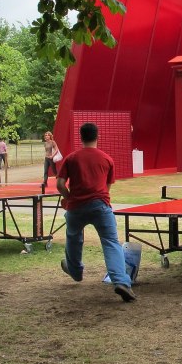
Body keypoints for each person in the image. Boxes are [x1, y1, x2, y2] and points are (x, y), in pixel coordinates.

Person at [56, 122, 135, 302]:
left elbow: (60, 184)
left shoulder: (71, 158)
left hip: (76, 207)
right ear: (97, 136)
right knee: (111, 242)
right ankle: (121, 282)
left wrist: (69, 198)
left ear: (81, 137)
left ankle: (75, 271)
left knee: (73, 238)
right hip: (101, 206)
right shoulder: (107, 159)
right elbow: (106, 189)